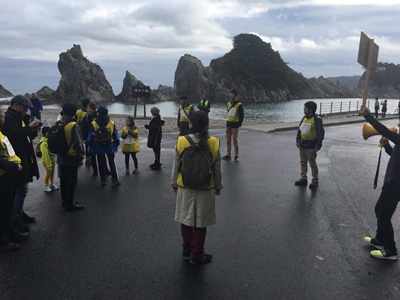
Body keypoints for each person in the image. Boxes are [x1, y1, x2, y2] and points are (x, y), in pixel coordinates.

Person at [171, 111, 222, 265]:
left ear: (191, 124)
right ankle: (197, 254)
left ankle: (186, 250)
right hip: (206, 187)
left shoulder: (181, 141)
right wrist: (218, 186)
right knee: (201, 222)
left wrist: (174, 184)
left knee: (186, 219)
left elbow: (176, 166)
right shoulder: (213, 142)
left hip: (185, 185)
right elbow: (217, 169)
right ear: (206, 125)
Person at [361, 105, 400, 260]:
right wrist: (387, 146)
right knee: (379, 210)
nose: (398, 124)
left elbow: (385, 131)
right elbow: (395, 155)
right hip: (393, 183)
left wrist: (368, 116)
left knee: (383, 215)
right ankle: (379, 240)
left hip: (395, 184)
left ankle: (391, 251)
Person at [1, 95, 40, 234]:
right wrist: (28, 127)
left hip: (23, 156)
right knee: (21, 188)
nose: (26, 111)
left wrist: (33, 130)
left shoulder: (18, 118)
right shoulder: (9, 119)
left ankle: (18, 213)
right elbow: (14, 136)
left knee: (19, 188)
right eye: (25, 107)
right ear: (16, 105)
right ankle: (15, 218)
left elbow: (26, 136)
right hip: (16, 159)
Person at [0, 106, 23, 252]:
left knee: (7, 206)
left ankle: (9, 232)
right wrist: (14, 167)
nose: (3, 115)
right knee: (3, 208)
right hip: (3, 176)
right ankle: (2, 241)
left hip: (7, 175)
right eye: (1, 113)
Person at [57, 103, 85, 211]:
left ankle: (65, 200)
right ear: (74, 113)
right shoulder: (73, 125)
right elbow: (78, 143)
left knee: (63, 179)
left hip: (60, 155)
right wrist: (81, 156)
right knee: (72, 180)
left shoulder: (59, 122)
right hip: (71, 156)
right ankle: (70, 203)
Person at [87, 106, 121, 185]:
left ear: (98, 113)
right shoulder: (111, 123)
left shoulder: (94, 123)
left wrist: (90, 145)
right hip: (110, 144)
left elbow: (90, 137)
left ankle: (103, 180)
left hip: (98, 145)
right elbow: (115, 135)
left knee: (101, 162)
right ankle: (115, 178)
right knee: (111, 161)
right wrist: (116, 144)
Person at [295, 101, 324, 189]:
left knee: (312, 163)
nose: (304, 109)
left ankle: (315, 179)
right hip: (302, 144)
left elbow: (320, 133)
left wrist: (318, 146)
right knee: (303, 162)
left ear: (310, 109)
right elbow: (299, 130)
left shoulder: (317, 119)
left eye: (305, 108)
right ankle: (303, 178)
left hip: (311, 145)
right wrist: (297, 140)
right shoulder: (304, 118)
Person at [222, 89, 244, 161]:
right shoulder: (228, 104)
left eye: (232, 94)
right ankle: (228, 154)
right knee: (228, 140)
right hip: (228, 124)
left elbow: (241, 115)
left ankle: (236, 154)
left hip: (235, 125)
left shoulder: (239, 105)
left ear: (235, 96)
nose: (231, 96)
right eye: (230, 94)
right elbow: (228, 113)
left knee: (235, 140)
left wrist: (239, 124)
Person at [79, 102, 98, 173]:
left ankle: (100, 168)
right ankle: (94, 169)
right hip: (88, 137)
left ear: (94, 109)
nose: (89, 110)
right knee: (90, 151)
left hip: (97, 137)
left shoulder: (97, 116)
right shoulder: (86, 117)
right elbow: (83, 128)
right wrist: (84, 138)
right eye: (88, 108)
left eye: (91, 109)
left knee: (98, 153)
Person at [39, 126, 58, 193]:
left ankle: (51, 183)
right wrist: (48, 164)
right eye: (48, 132)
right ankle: (46, 185)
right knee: (48, 173)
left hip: (52, 160)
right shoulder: (44, 143)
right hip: (47, 162)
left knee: (52, 172)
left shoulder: (50, 140)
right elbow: (45, 155)